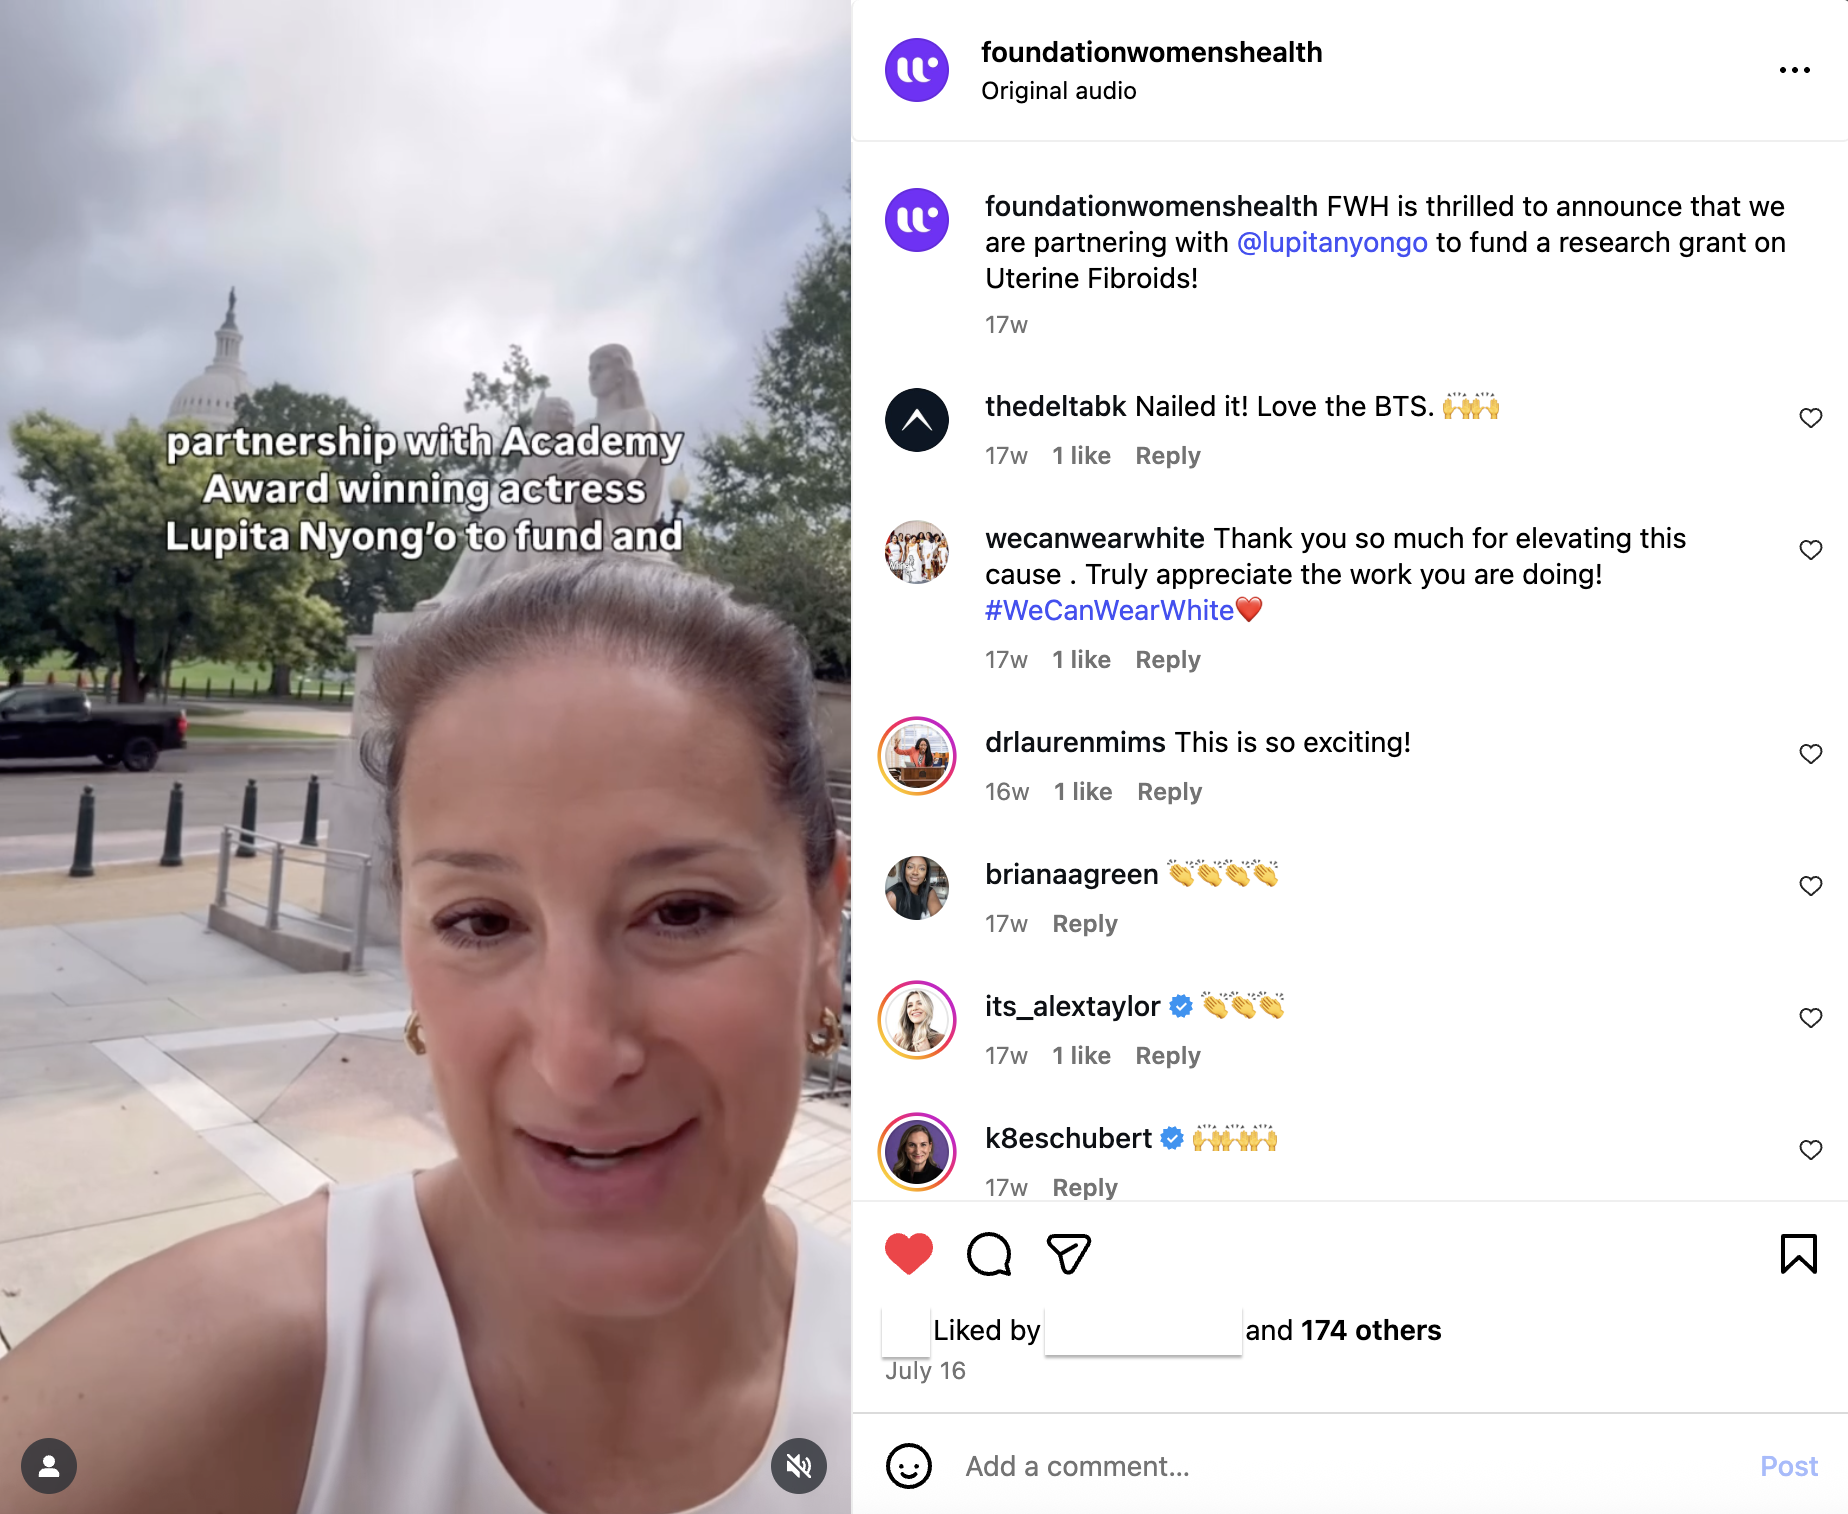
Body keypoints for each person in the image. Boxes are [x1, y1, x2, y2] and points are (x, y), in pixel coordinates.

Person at [0, 558, 851, 1513]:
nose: (577, 1057)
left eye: (684, 912)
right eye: (482, 923)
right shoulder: (219, 1364)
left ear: (826, 922)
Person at [890, 990, 943, 1054]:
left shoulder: (941, 1039)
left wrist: (927, 1051)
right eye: (910, 1005)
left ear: (928, 1007)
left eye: (920, 1003)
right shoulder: (898, 1039)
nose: (914, 1008)